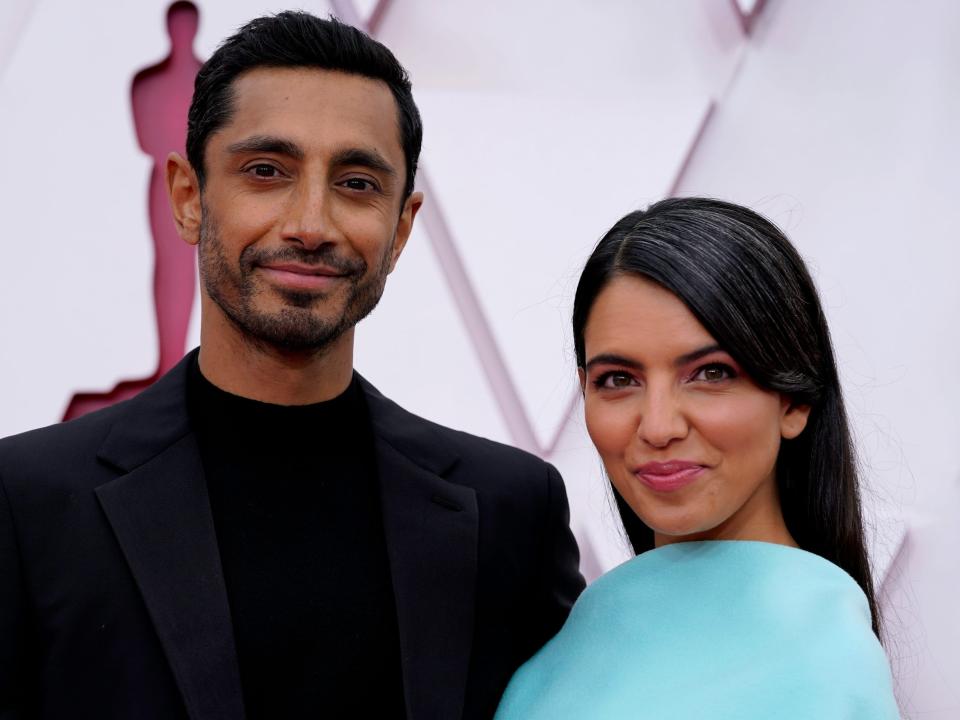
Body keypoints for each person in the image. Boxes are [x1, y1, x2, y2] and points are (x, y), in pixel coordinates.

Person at [0, 12, 584, 720]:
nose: (311, 224)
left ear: (401, 228)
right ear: (189, 198)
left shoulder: (511, 512)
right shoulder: (27, 504)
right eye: (266, 171)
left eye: (358, 182)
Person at [495, 198, 899, 718]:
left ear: (795, 399)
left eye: (711, 373)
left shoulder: (823, 658)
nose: (659, 427)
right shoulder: (581, 630)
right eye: (618, 380)